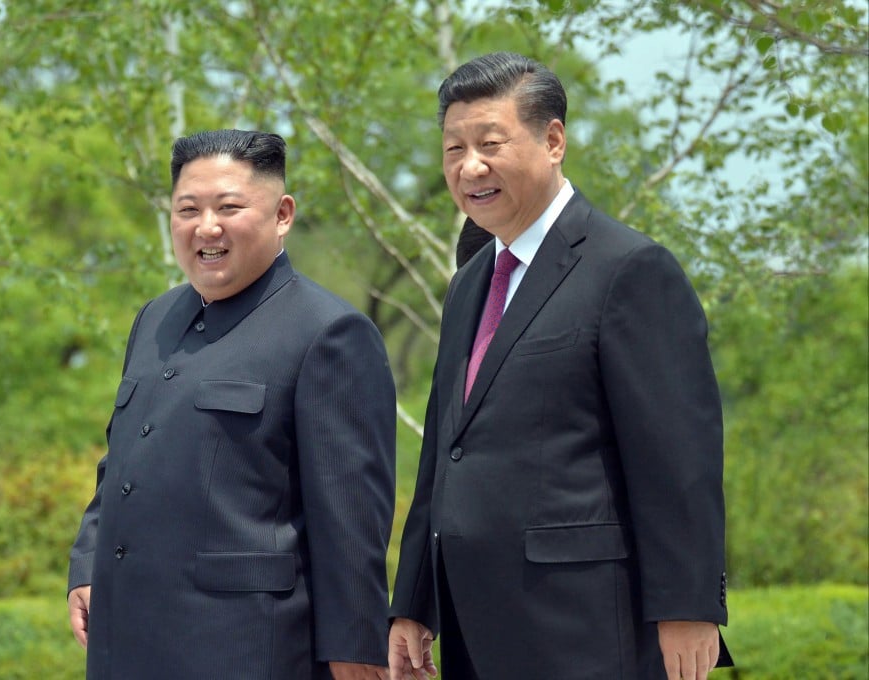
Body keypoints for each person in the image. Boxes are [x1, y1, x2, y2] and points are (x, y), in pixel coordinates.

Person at [388, 52, 732, 680]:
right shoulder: (468, 285)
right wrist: (412, 601)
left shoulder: (628, 269)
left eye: (490, 143)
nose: (470, 167)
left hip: (586, 628)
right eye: (453, 148)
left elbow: (678, 457)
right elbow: (444, 451)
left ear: (553, 140)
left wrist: (687, 605)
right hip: (474, 624)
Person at [67, 129, 396, 680]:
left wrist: (355, 653)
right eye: (188, 209)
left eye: (229, 207)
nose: (207, 227)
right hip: (125, 644)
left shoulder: (329, 332)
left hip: (247, 651)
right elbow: (121, 464)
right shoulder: (154, 319)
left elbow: (351, 524)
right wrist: (87, 562)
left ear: (282, 213)